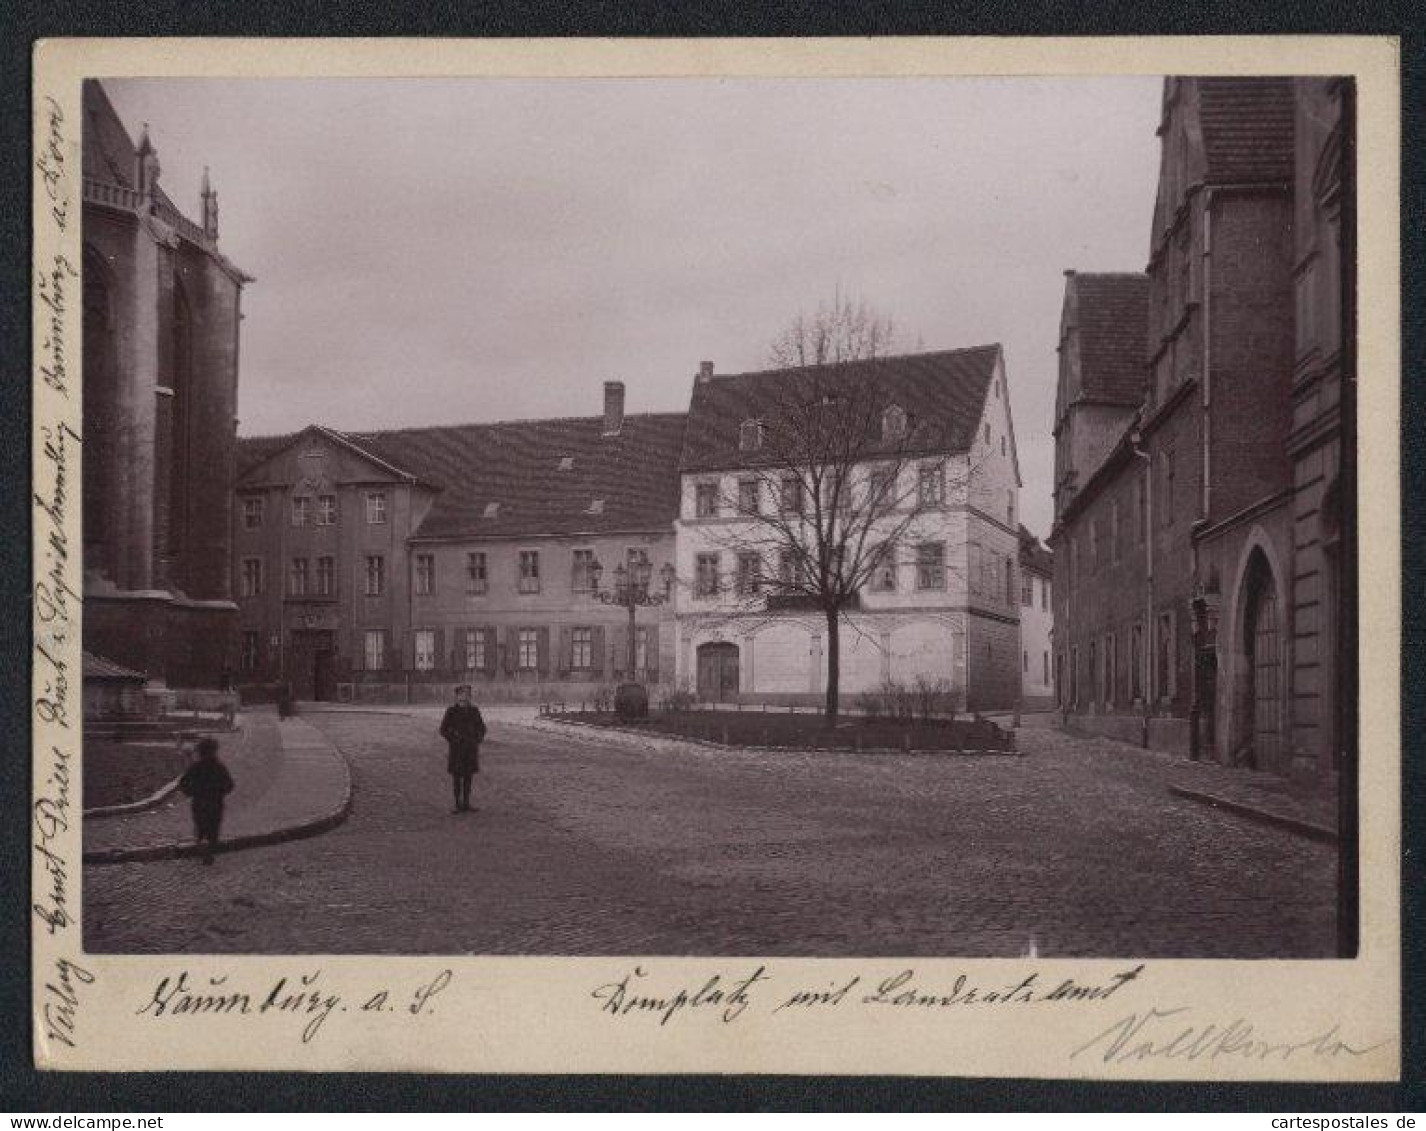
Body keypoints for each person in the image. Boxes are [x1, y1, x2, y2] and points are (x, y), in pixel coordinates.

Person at [178, 736, 235, 864]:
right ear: (214, 751)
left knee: (200, 825)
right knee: (213, 827)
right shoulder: (219, 767)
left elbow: (183, 783)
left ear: (200, 752)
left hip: (199, 802)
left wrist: (191, 793)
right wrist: (220, 791)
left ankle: (202, 843)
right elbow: (230, 785)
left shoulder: (196, 767)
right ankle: (210, 848)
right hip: (215, 803)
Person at [439, 684, 487, 813]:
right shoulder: (451, 711)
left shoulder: (474, 711)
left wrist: (477, 739)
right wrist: (453, 739)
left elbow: (482, 727)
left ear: (470, 697)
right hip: (457, 750)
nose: (465, 697)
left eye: (467, 695)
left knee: (468, 777)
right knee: (457, 777)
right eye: (462, 694)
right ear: (457, 696)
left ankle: (466, 803)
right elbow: (443, 729)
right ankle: (457, 803)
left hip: (470, 749)